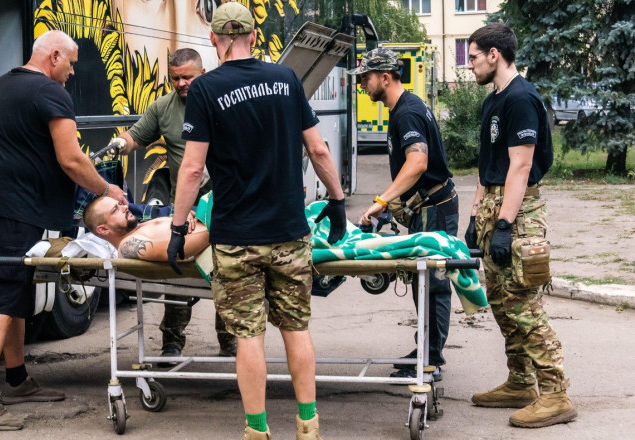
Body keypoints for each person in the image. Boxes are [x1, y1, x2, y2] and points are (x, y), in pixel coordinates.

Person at [167, 3, 347, 439]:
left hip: (236, 238)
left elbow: (192, 169)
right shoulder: (286, 79)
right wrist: (337, 200)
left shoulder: (207, 90)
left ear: (214, 39)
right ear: (254, 35)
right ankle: (308, 424)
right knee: (296, 328)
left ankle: (257, 430)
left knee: (248, 335)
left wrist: (176, 229)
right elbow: (318, 149)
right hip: (289, 232)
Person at [0, 30, 127, 431]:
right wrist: (107, 188)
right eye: (70, 64)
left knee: (16, 288)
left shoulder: (3, 85)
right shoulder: (51, 93)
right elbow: (71, 159)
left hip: (3, 204)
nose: (71, 72)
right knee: (4, 291)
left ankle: (15, 379)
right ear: (53, 57)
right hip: (11, 207)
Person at [465, 23, 577, 428]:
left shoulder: (521, 98)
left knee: (522, 303)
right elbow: (488, 165)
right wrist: (477, 215)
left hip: (518, 213)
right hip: (494, 207)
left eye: (473, 56)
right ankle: (520, 381)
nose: (469, 65)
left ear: (494, 54)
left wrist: (506, 225)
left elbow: (522, 165)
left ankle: (555, 393)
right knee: (499, 299)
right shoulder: (493, 100)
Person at [103, 48, 236, 362]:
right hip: (185, 209)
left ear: (203, 74)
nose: (181, 83)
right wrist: (121, 144)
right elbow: (136, 135)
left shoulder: (226, 104)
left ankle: (229, 340)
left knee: (226, 273)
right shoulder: (164, 108)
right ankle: (171, 344)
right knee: (179, 275)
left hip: (225, 207)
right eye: (175, 78)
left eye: (187, 77)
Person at [353, 48, 457, 382]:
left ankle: (431, 361)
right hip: (425, 207)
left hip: (434, 208)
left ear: (385, 77)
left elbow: (418, 163)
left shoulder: (406, 113)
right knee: (421, 283)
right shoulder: (404, 107)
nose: (363, 86)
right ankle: (426, 351)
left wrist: (382, 200)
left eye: (366, 79)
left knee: (433, 284)